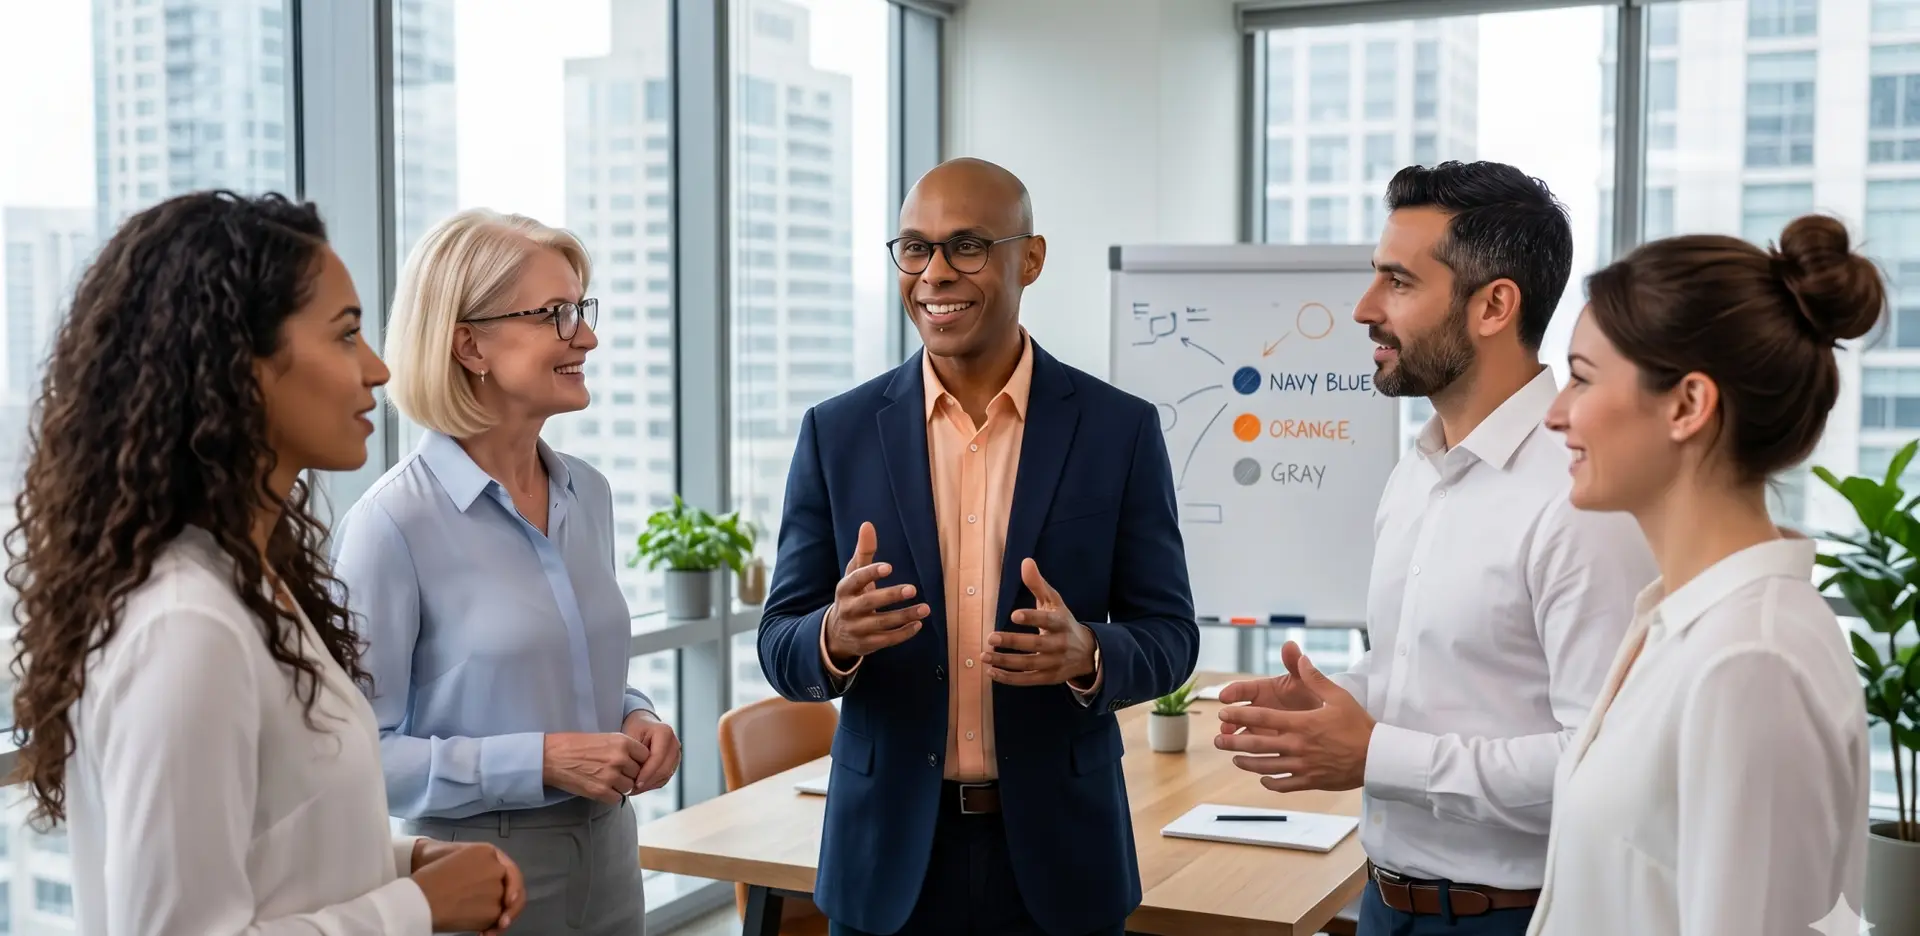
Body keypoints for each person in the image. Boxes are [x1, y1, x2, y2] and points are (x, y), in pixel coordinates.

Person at [3, 191, 524, 935]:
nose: (376, 369)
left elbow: (265, 844)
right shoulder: (186, 623)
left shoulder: (249, 582)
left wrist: (402, 860)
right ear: (237, 367)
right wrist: (416, 906)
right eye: (346, 336)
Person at [757, 157, 1199, 936]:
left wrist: (1089, 652)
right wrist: (832, 637)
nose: (934, 274)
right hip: (886, 862)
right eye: (915, 247)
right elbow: (780, 642)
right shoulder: (837, 433)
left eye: (966, 246)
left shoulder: (1118, 431)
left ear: (1029, 259)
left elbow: (1170, 635)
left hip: (1062, 861)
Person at [1214, 162, 1657, 936]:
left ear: (1494, 305)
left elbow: (1606, 761)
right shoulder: (1415, 473)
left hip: (1516, 917)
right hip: (1384, 904)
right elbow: (1420, 673)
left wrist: (1376, 755)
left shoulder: (1583, 496)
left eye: (1398, 283)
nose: (1362, 309)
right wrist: (1334, 705)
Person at [1524, 216, 1878, 935]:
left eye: (1583, 379)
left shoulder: (1753, 662)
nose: (1555, 415)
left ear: (1688, 404)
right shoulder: (1678, 622)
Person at [332, 208, 680, 935]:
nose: (586, 336)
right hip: (479, 872)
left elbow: (575, 668)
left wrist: (635, 715)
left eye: (581, 310)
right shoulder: (391, 525)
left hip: (613, 852)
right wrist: (541, 760)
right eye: (556, 313)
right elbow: (358, 759)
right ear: (469, 344)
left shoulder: (589, 493)